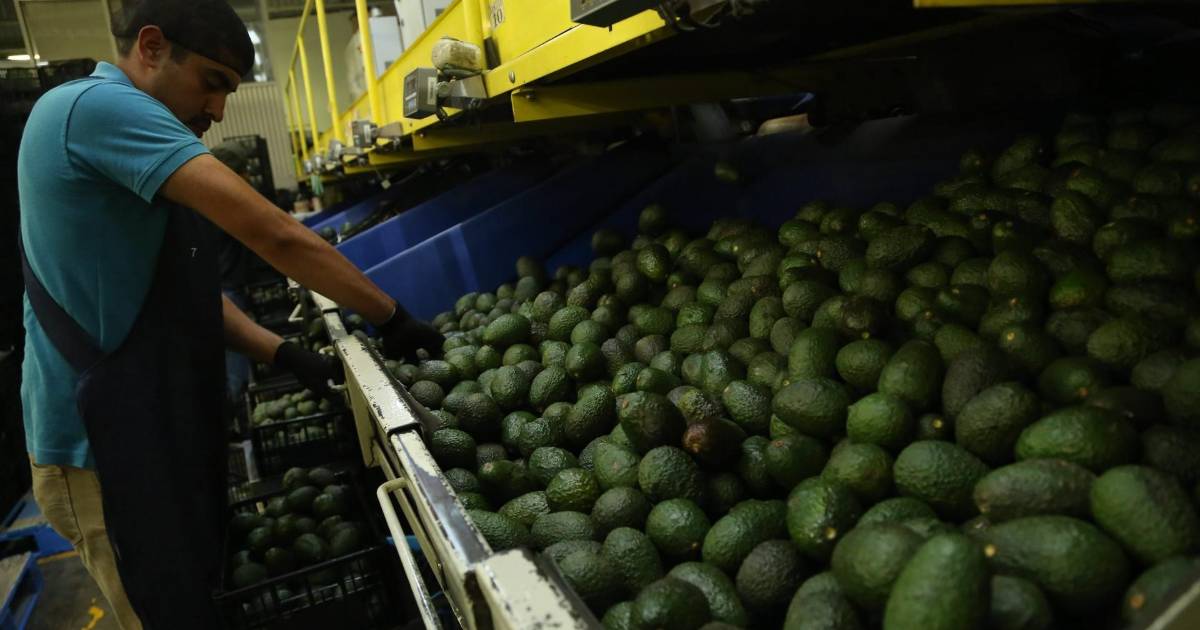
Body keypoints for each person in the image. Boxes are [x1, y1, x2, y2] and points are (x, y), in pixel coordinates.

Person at [16, 1, 443, 628]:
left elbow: (175, 295)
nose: (217, 111)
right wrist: (391, 316)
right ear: (152, 48)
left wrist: (284, 352)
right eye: (212, 82)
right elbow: (274, 234)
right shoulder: (96, 108)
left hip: (143, 431)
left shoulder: (123, 131)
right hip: (99, 453)